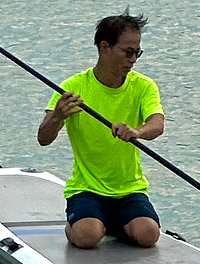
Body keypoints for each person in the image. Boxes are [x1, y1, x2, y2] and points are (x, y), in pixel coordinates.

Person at [37, 13, 165, 250]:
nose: (134, 59)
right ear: (105, 48)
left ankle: (116, 222)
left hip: (129, 189)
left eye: (138, 52)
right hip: (87, 189)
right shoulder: (72, 87)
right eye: (128, 52)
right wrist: (58, 115)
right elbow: (43, 138)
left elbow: (157, 124)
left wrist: (136, 131)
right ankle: (81, 225)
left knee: (148, 235)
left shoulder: (144, 86)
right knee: (87, 237)